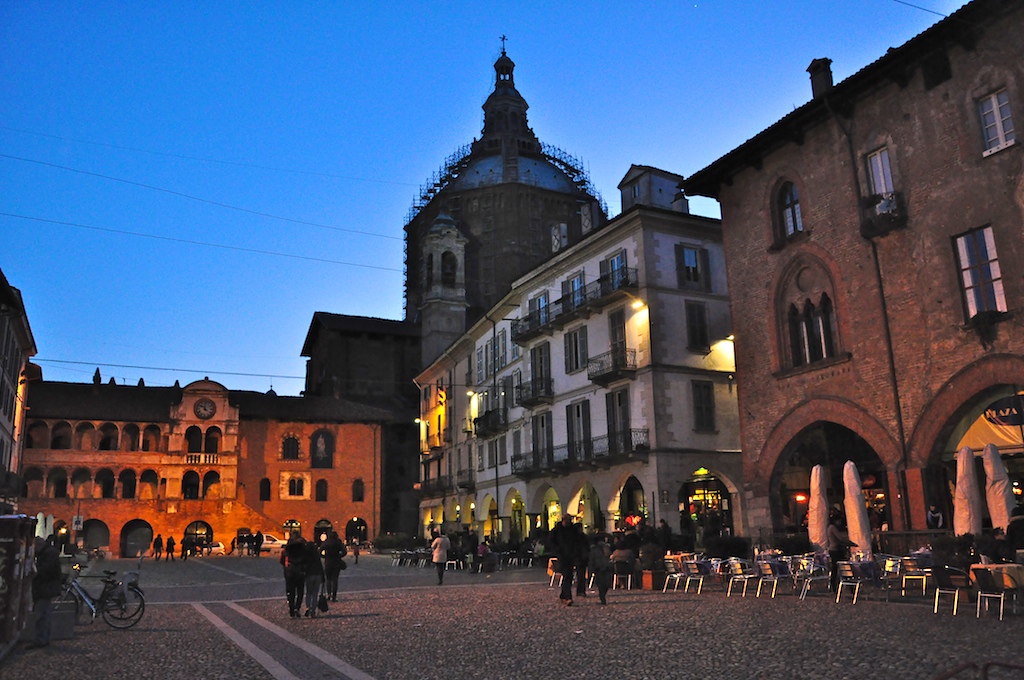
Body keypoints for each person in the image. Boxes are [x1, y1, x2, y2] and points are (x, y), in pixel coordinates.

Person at [28, 536, 63, 649]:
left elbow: (44, 571)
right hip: (46, 587)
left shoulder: (48, 554)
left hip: (45, 588)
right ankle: (44, 638)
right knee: (44, 613)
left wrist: (33, 571)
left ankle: (41, 639)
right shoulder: (49, 552)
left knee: (42, 614)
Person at [548, 515, 584, 606]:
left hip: (571, 555)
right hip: (562, 555)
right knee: (567, 575)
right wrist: (558, 550)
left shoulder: (573, 530)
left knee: (568, 576)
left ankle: (563, 595)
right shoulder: (556, 530)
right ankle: (568, 597)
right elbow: (551, 542)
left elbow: (579, 541)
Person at [281, 535, 307, 618]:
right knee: (300, 592)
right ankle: (297, 608)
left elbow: (281, 561)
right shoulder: (302, 551)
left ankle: (291, 608)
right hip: (300, 573)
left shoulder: (286, 551)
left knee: (290, 592)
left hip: (289, 573)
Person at [826, 511, 850, 592]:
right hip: (836, 550)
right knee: (842, 568)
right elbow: (840, 538)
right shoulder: (832, 528)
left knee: (835, 569)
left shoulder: (830, 527)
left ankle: (835, 586)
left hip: (834, 550)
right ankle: (848, 587)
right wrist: (849, 542)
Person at [588, 534, 613, 605]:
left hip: (606, 567)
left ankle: (603, 594)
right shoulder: (594, 549)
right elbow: (591, 560)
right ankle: (602, 596)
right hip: (598, 568)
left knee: (607, 583)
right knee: (601, 583)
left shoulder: (607, 548)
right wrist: (591, 570)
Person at [321, 531, 347, 601]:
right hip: (336, 562)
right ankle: (334, 596)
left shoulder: (326, 542)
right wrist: (339, 556)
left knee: (328, 579)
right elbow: (344, 552)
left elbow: (320, 550)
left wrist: (324, 556)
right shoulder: (338, 542)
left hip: (328, 562)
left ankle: (329, 595)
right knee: (335, 579)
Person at [303, 539, 324, 617]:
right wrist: (323, 576)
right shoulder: (316, 555)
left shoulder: (306, 555)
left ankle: (308, 607)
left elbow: (304, 566)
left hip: (309, 575)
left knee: (308, 592)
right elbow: (320, 566)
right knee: (315, 594)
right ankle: (313, 611)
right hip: (317, 575)